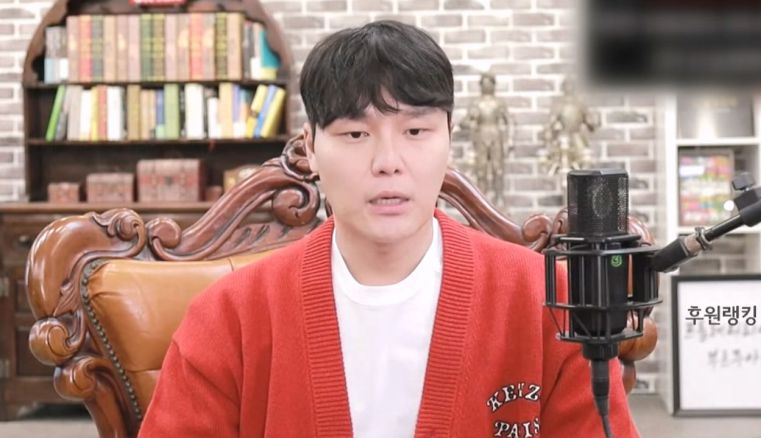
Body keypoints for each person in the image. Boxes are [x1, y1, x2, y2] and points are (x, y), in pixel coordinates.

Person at [139, 20, 639, 438]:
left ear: (449, 137)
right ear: (310, 148)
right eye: (356, 134)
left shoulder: (548, 299)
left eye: (416, 131)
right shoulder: (228, 317)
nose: (388, 161)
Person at [459, 71, 511, 208]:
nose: (487, 86)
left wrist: (509, 140)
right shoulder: (476, 103)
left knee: (498, 169)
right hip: (481, 135)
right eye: (484, 83)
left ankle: (499, 198)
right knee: (480, 168)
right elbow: (464, 122)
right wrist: (472, 121)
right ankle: (482, 200)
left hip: (495, 135)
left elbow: (509, 122)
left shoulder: (499, 103)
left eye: (489, 83)